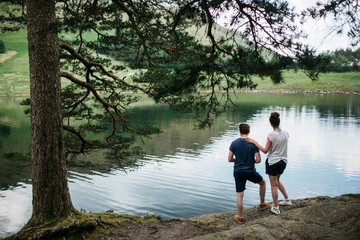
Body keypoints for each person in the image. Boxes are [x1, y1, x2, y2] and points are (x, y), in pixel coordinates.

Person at [247, 112, 292, 215]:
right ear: (278, 122)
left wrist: (255, 143)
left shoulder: (271, 135)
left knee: (273, 185)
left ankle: (276, 207)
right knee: (277, 180)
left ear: (270, 123)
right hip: (283, 161)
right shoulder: (286, 133)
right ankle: (287, 199)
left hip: (273, 162)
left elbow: (265, 150)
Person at [228, 123, 272, 224]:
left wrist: (237, 159)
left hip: (238, 171)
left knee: (240, 194)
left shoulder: (234, 143)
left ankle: (240, 217)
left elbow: (229, 159)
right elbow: (258, 160)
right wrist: (250, 161)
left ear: (239, 131)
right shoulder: (253, 144)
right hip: (250, 171)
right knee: (262, 183)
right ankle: (262, 204)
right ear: (249, 131)